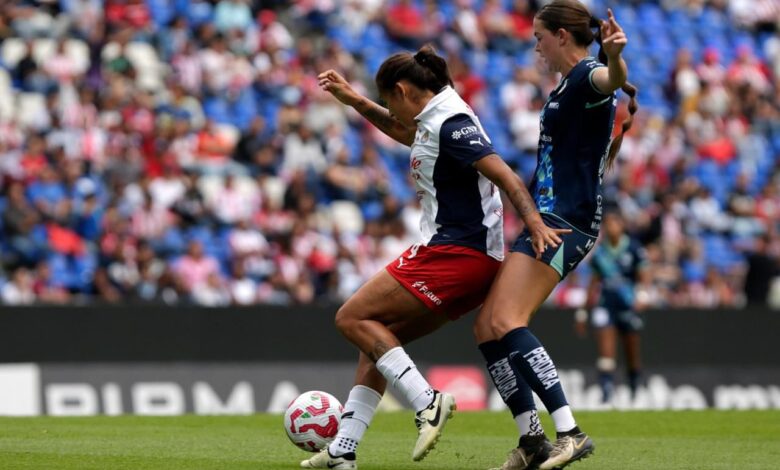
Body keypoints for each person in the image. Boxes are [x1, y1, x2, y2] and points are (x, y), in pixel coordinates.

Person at [303, 45, 566, 469]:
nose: (392, 110)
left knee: (350, 318)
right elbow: (403, 130)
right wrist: (355, 101)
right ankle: (343, 451)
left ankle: (427, 402)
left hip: (458, 252)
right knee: (377, 338)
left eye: (390, 100)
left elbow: (504, 174)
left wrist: (533, 222)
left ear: (404, 90)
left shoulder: (452, 122)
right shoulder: (432, 117)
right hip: (466, 257)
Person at [472, 2, 638, 469]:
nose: (536, 45)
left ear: (562, 36)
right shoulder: (567, 84)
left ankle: (569, 430)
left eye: (539, 36)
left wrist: (614, 56)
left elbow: (610, 79)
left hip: (566, 220)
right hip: (550, 217)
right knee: (487, 326)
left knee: (506, 319)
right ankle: (532, 439)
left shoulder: (588, 75)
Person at [578, 210, 648, 405]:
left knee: (631, 350)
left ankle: (634, 386)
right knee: (606, 351)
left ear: (622, 225)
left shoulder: (633, 248)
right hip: (605, 304)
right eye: (607, 224)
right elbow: (593, 283)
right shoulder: (600, 252)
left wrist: (642, 295)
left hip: (627, 304)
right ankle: (606, 393)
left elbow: (644, 274)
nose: (610, 227)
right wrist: (583, 311)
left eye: (614, 223)